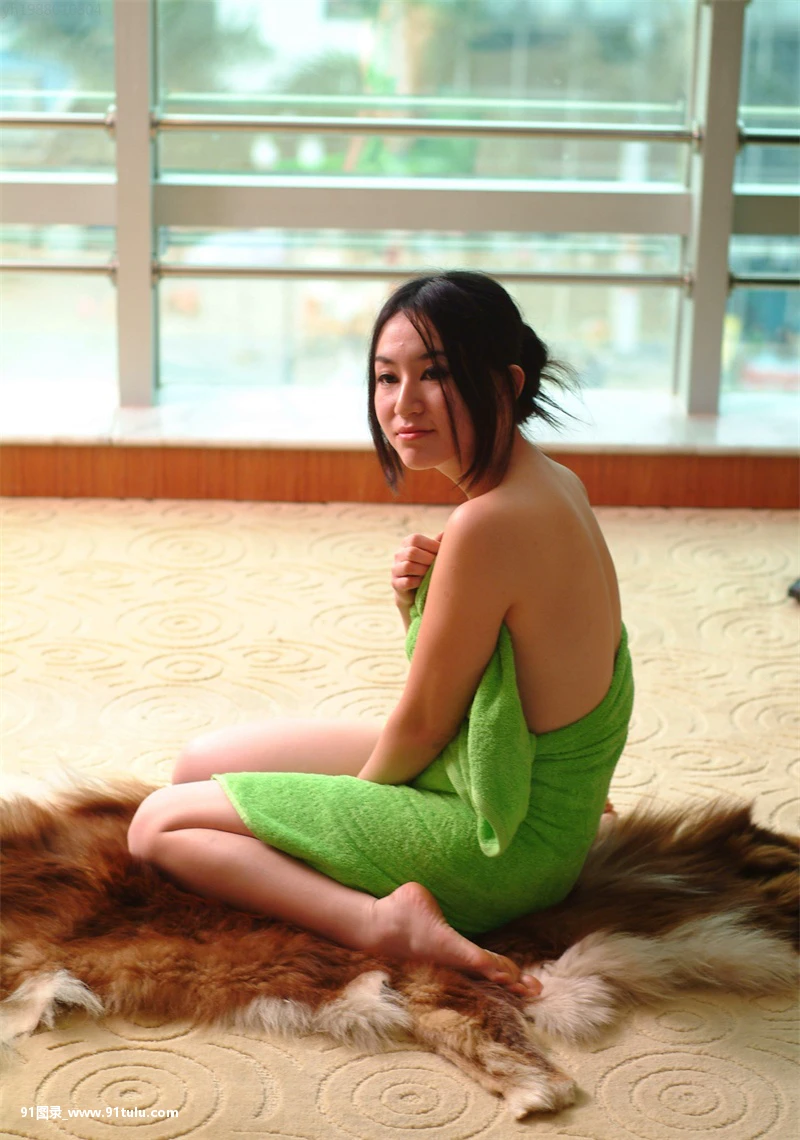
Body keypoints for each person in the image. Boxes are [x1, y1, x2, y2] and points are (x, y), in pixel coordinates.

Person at [128, 271, 634, 998]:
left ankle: (381, 921)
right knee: (196, 765)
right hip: (507, 781)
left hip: (500, 841)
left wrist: (341, 814)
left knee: (158, 826)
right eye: (387, 377)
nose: (404, 403)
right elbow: (497, 682)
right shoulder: (555, 482)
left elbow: (426, 721)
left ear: (507, 383)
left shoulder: (488, 524)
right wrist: (416, 606)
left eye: (437, 374)